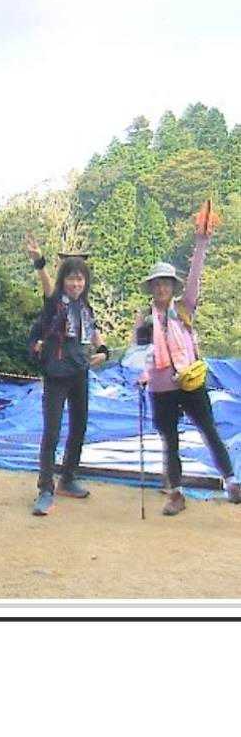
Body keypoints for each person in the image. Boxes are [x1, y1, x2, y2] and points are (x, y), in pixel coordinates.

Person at [134, 214, 238, 516]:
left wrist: (201, 243)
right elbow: (140, 352)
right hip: (161, 387)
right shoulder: (145, 318)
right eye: (157, 284)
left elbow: (195, 278)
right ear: (152, 288)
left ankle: (232, 482)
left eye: (166, 283)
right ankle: (176, 493)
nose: (161, 288)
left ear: (172, 286)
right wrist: (142, 374)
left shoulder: (183, 308)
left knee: (209, 431)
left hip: (190, 381)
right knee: (170, 440)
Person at [24, 237, 107, 516]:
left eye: (80, 279)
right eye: (71, 279)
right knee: (52, 430)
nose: (75, 284)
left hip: (80, 371)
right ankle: (45, 488)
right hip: (57, 373)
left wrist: (103, 351)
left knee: (79, 426)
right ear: (63, 280)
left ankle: (68, 477)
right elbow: (47, 288)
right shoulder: (55, 303)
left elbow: (94, 332)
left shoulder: (85, 307)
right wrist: (39, 262)